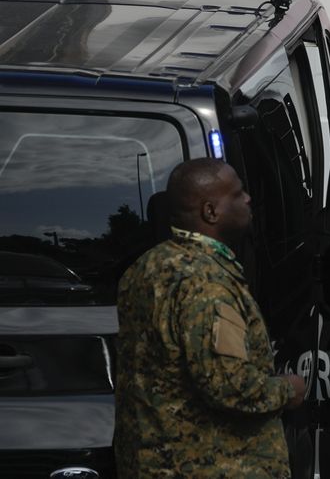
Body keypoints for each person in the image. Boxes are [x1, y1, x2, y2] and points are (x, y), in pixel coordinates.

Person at [114, 158, 306, 478]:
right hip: (206, 466)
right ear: (210, 212)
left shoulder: (148, 266)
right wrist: (288, 390)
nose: (247, 199)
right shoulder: (206, 283)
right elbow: (229, 386)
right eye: (237, 193)